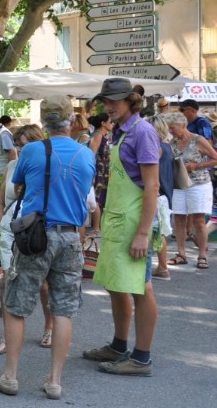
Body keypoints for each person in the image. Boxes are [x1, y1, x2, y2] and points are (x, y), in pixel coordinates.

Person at [0, 95, 95, 400]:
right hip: (71, 237)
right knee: (63, 309)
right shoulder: (86, 155)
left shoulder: (32, 151)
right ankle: (55, 381)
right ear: (71, 121)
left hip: (37, 236)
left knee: (16, 305)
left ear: (44, 123)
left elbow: (19, 187)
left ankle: (10, 376)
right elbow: (84, 192)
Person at [87, 79, 160, 377]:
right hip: (118, 219)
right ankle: (119, 346)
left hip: (134, 222)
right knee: (116, 284)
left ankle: (141, 358)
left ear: (131, 101)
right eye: (105, 101)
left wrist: (143, 232)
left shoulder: (143, 132)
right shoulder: (119, 131)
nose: (108, 106)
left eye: (114, 101)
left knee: (141, 288)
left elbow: (152, 186)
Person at [0, 123, 48, 356]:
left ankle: (50, 326)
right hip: (11, 231)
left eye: (25, 145)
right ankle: (7, 336)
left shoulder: (45, 168)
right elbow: (1, 200)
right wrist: (2, 220)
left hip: (34, 232)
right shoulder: (12, 166)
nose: (21, 150)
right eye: (18, 145)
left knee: (43, 284)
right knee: (8, 282)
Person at [165, 110, 216, 270]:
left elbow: (215, 158)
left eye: (173, 128)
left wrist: (196, 165)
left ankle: (202, 255)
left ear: (184, 125)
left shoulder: (198, 140)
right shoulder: (171, 142)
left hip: (199, 184)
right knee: (179, 219)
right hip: (179, 184)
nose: (171, 131)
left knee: (199, 221)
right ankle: (181, 254)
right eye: (169, 128)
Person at [144, 114, 176, 280]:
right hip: (166, 193)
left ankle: (163, 266)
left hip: (159, 193)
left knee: (158, 232)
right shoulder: (168, 146)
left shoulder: (157, 148)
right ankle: (162, 266)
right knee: (161, 231)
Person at [87, 111, 113, 210]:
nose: (112, 124)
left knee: (101, 200)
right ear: (103, 123)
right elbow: (91, 155)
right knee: (98, 200)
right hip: (98, 172)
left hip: (102, 172)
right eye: (110, 122)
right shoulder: (98, 135)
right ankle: (97, 225)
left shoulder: (100, 135)